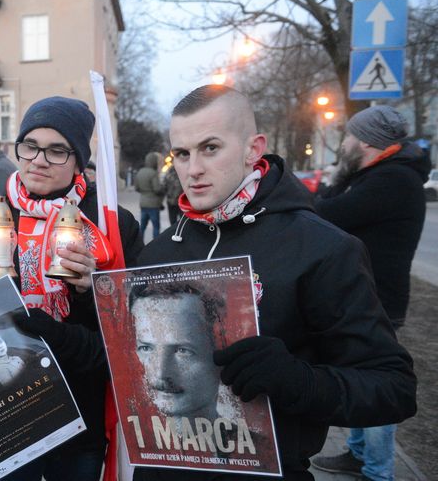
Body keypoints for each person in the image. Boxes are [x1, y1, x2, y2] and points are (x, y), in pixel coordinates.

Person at [25, 85, 413, 480]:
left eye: (210, 148)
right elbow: (124, 362)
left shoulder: (322, 248)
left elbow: (392, 388)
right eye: (182, 153)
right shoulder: (161, 252)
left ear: (252, 149)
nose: (193, 170)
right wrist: (51, 332)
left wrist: (298, 381)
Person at [0, 96, 143, 481]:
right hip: (8, 411)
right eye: (30, 146)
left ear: (78, 161)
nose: (38, 159)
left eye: (57, 151)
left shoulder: (109, 224)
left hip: (81, 411)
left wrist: (93, 290)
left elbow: (134, 329)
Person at [312, 105, 429, 481]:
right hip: (368, 295)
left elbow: (324, 214)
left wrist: (335, 178)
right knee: (358, 375)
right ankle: (358, 454)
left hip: (378, 300)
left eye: (348, 135)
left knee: (375, 383)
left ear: (365, 141)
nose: (343, 142)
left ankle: (378, 471)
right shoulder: (378, 175)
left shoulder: (392, 180)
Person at [130, 280, 223, 420]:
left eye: (182, 350)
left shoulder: (261, 442)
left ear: (218, 347)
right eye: (146, 348)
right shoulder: (121, 438)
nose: (160, 373)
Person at [135, 151, 165, 238]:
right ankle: (155, 246)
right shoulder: (153, 173)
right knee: (156, 227)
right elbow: (157, 189)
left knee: (143, 226)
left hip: (143, 203)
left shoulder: (140, 172)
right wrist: (163, 189)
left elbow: (136, 188)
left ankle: (139, 244)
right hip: (153, 204)